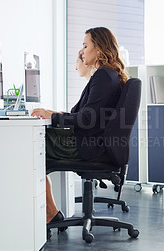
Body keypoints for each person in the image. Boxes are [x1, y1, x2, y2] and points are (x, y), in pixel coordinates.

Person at [31, 27, 128, 225]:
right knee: (34, 148)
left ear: (99, 49)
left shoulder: (103, 76)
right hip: (94, 144)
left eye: (85, 46)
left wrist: (54, 117)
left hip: (87, 146)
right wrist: (52, 114)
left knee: (29, 148)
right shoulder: (107, 76)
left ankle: (50, 214)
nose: (82, 51)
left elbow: (85, 120)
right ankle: (50, 212)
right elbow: (82, 115)